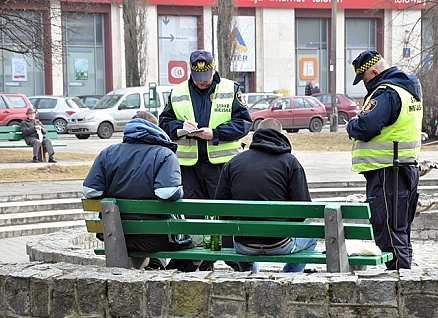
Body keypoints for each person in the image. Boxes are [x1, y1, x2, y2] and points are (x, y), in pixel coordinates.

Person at [159, 49, 253, 272]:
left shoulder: (231, 89)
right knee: (194, 218)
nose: (201, 82)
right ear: (190, 72)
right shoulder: (178, 92)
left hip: (223, 166)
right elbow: (164, 124)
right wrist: (181, 129)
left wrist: (216, 134)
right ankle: (199, 263)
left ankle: (237, 264)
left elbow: (244, 123)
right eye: (197, 78)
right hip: (189, 167)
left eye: (206, 77)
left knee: (227, 215)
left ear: (215, 69)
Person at [83, 111, 200, 272]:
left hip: (116, 236)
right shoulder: (164, 154)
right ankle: (172, 273)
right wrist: (180, 191)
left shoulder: (107, 153)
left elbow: (90, 191)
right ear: (155, 128)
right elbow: (166, 193)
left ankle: (156, 265)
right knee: (199, 237)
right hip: (157, 238)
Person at [346, 50, 423, 270]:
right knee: (400, 230)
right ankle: (403, 277)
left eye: (365, 78)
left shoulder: (387, 92)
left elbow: (366, 125)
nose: (364, 84)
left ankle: (399, 284)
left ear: (375, 71)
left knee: (388, 230)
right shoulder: (408, 88)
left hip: (388, 172)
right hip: (403, 169)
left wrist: (350, 125)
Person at [214, 118, 318, 274]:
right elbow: (302, 210)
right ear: (281, 135)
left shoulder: (234, 163)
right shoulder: (290, 162)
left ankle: (249, 274)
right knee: (313, 237)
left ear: (257, 134)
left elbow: (221, 208)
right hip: (280, 243)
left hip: (244, 245)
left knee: (244, 236)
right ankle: (287, 277)